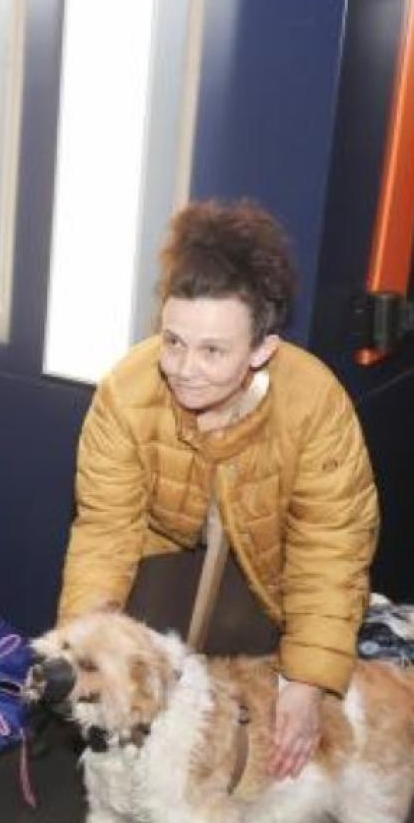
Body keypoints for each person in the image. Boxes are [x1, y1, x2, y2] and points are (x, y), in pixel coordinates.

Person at [58, 199, 377, 781]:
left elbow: (331, 551)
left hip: (268, 574)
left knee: (255, 722)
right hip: (166, 556)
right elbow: (105, 530)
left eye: (212, 351)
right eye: (173, 341)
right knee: (137, 679)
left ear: (261, 350)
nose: (183, 368)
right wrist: (85, 645)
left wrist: (306, 683)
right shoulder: (127, 391)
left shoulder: (315, 403)